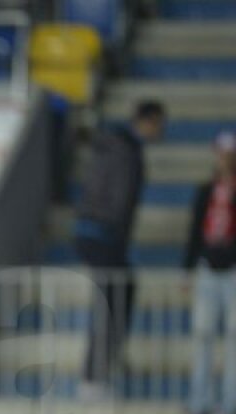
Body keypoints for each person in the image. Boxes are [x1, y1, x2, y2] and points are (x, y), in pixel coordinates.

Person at [74, 100, 166, 398]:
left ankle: (107, 360)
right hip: (104, 235)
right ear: (148, 120)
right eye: (159, 124)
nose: (161, 131)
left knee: (123, 289)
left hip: (93, 232)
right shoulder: (127, 151)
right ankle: (93, 377)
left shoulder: (113, 144)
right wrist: (115, 234)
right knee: (110, 301)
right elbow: (120, 200)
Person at [184, 130, 236, 414]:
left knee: (233, 339)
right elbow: (195, 230)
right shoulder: (206, 190)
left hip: (233, 270)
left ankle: (228, 408)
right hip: (208, 269)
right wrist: (187, 268)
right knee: (202, 336)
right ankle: (199, 404)